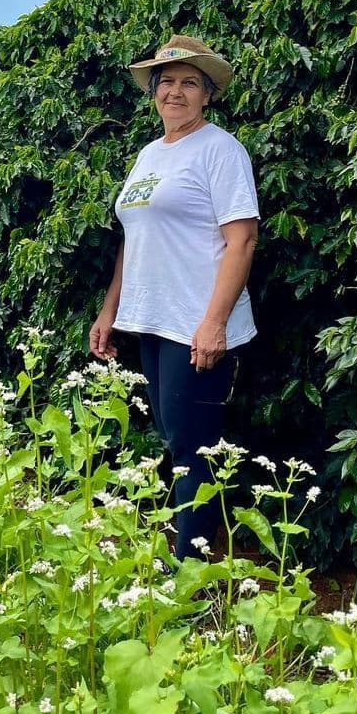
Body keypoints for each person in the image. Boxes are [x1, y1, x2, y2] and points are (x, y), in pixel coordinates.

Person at [89, 34, 259, 559]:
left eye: (190, 82)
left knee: (194, 452)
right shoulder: (149, 154)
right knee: (177, 444)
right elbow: (134, 237)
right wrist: (110, 308)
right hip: (153, 321)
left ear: (207, 94)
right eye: (167, 82)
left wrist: (213, 323)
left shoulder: (221, 150)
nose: (176, 92)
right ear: (154, 93)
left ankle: (192, 577)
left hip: (196, 322)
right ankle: (192, 561)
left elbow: (243, 238)